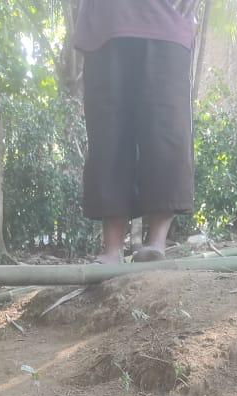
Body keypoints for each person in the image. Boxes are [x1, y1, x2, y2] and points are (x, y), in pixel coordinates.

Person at [73, 1, 199, 263]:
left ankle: (157, 243)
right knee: (109, 135)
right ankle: (112, 248)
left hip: (167, 20)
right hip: (106, 23)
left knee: (167, 130)